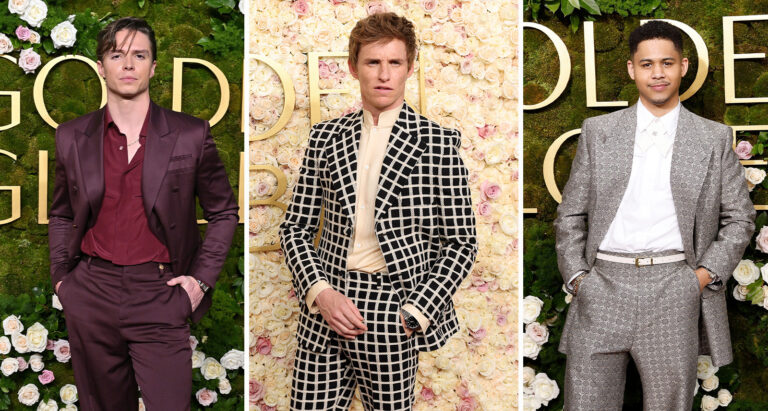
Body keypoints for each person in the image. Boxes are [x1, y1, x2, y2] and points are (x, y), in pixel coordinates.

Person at [280, 12, 477, 410]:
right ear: (354, 68)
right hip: (326, 303)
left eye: (395, 63)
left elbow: (461, 242)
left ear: (410, 67)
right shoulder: (324, 137)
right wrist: (321, 294)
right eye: (373, 62)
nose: (384, 74)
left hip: (392, 308)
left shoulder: (437, 143)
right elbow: (294, 229)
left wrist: (413, 313)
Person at [555, 20, 755, 410]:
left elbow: (739, 219)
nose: (658, 73)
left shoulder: (713, 137)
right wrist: (579, 279)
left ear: (683, 66)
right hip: (602, 287)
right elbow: (571, 214)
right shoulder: (599, 131)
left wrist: (700, 278)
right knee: (585, 403)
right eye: (647, 64)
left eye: (667, 62)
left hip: (672, 287)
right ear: (632, 69)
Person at [48, 17, 238, 410]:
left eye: (139, 55)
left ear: (153, 67)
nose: (128, 65)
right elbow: (62, 214)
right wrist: (63, 282)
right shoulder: (71, 136)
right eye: (117, 55)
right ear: (101, 67)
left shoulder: (190, 133)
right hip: (91, 292)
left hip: (160, 292)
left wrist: (199, 282)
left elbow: (223, 212)